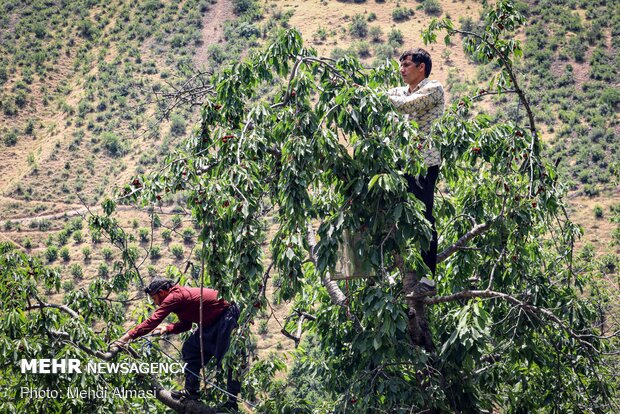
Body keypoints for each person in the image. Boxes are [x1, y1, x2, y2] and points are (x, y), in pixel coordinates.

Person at [113, 278, 241, 410]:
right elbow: (186, 325)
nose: (155, 303)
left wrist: (128, 336)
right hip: (210, 324)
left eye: (154, 298)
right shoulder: (179, 300)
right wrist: (167, 329)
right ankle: (191, 391)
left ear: (162, 292)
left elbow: (153, 320)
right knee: (190, 349)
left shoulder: (175, 296)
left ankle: (232, 403)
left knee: (228, 360)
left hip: (226, 317)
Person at [387, 48, 445, 291]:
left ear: (421, 67)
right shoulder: (398, 91)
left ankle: (428, 279)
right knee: (392, 216)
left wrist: (380, 97)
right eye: (401, 65)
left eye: (407, 65)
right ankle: (392, 271)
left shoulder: (433, 89)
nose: (402, 70)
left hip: (423, 163)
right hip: (399, 162)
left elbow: (405, 106)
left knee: (424, 219)